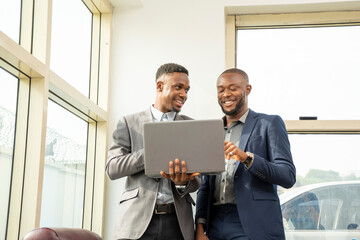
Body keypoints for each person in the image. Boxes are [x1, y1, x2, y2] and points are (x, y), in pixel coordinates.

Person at [195, 68, 296, 240]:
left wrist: (247, 158)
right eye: (221, 90)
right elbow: (205, 185)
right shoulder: (212, 131)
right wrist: (200, 227)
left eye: (233, 88)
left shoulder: (269, 123)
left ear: (247, 90)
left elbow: (287, 176)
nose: (226, 94)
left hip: (253, 224)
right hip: (215, 224)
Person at [106, 63, 200, 240]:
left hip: (177, 224)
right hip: (136, 222)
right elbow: (113, 168)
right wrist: (152, 152)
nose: (184, 94)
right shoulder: (129, 122)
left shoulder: (191, 126)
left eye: (187, 89)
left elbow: (197, 181)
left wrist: (182, 183)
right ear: (159, 86)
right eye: (178, 87)